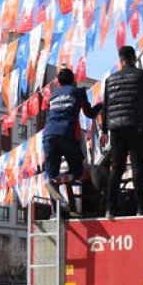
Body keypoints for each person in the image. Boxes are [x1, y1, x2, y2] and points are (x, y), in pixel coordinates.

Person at [102, 45, 143, 218]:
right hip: (137, 126)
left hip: (116, 129)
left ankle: (109, 208)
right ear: (134, 58)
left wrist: (105, 130)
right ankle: (141, 207)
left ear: (120, 60)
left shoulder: (110, 80)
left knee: (116, 168)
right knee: (137, 166)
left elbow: (106, 107)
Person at [42, 67, 102, 203]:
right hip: (67, 134)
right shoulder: (78, 92)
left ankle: (55, 211)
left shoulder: (53, 96)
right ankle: (60, 180)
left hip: (49, 135)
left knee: (51, 174)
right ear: (73, 79)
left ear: (58, 82)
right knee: (77, 171)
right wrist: (101, 105)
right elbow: (89, 114)